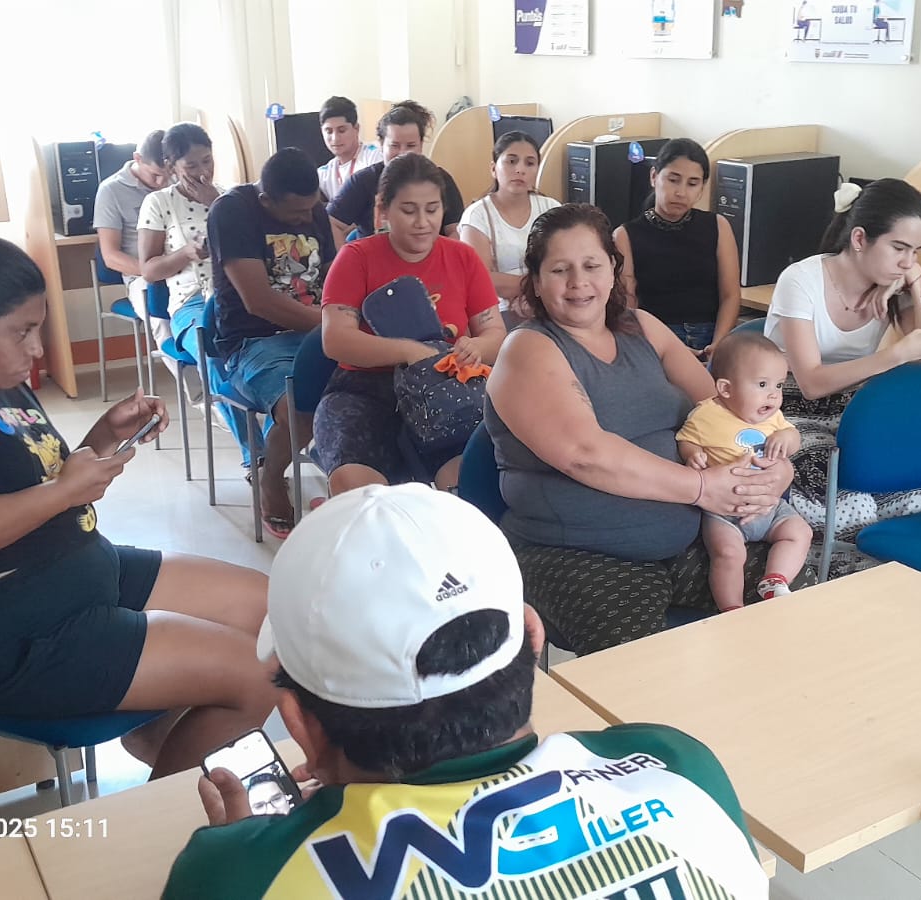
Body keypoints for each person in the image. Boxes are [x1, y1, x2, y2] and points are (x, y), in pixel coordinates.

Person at [163, 484, 769, 900]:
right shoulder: (673, 765)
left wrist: (250, 851)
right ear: (532, 636)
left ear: (298, 723)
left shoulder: (240, 875)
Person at [0, 236, 275, 777]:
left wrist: (103, 436)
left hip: (83, 574)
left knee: (267, 610)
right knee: (256, 678)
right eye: (22, 331)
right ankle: (170, 810)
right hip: (18, 629)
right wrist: (65, 491)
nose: (36, 349)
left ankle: (160, 739)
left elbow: (37, 479)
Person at [485, 204, 810, 655]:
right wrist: (702, 488)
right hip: (580, 553)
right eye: (560, 270)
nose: (579, 282)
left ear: (613, 270)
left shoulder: (644, 328)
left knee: (795, 597)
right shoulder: (528, 348)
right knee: (644, 665)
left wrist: (775, 474)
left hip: (697, 537)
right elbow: (585, 455)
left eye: (592, 265)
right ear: (537, 282)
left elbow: (726, 412)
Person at [763, 178, 921, 565]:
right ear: (859, 238)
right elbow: (811, 383)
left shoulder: (892, 284)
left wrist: (915, 279)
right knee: (853, 506)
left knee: (919, 498)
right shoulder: (801, 280)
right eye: (899, 248)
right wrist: (897, 354)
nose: (907, 261)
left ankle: (900, 588)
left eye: (916, 252)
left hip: (852, 408)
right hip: (784, 410)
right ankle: (846, 586)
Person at [314, 154, 504, 495]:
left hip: (447, 389)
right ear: (384, 209)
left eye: (432, 209)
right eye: (408, 210)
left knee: (467, 484)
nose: (422, 222)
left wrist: (476, 346)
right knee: (360, 491)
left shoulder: (463, 257)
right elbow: (336, 339)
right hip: (365, 391)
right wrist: (409, 351)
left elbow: (495, 334)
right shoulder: (356, 258)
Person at [205, 148, 337, 539]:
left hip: (317, 332)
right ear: (267, 201)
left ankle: (347, 485)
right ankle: (272, 476)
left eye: (311, 209)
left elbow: (333, 276)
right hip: (253, 341)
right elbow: (259, 301)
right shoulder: (233, 211)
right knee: (301, 405)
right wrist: (335, 325)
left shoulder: (313, 209)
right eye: (297, 213)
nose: (307, 219)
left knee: (367, 394)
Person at [676, 331, 813, 610]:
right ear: (726, 389)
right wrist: (693, 455)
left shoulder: (773, 417)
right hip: (724, 511)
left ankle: (775, 580)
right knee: (727, 554)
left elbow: (793, 436)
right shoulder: (706, 415)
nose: (773, 394)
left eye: (779, 385)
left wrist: (786, 438)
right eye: (762, 384)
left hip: (770, 506)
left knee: (800, 532)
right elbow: (686, 439)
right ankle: (731, 608)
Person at [613, 138, 740, 358]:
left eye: (692, 183)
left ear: (701, 188)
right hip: (657, 338)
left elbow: (730, 295)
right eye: (673, 180)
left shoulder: (718, 226)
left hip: (713, 336)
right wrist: (671, 349)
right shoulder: (625, 235)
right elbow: (629, 307)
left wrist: (718, 345)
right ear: (654, 177)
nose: (681, 192)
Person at [138, 122, 221, 387]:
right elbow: (149, 270)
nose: (203, 172)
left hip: (234, 296)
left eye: (207, 161)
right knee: (214, 354)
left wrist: (215, 204)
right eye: (192, 166)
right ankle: (232, 413)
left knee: (257, 350)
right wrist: (186, 253)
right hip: (191, 301)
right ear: (171, 167)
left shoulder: (227, 197)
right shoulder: (159, 202)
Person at [325, 100, 465, 249]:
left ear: (421, 145)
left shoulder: (441, 179)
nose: (402, 153)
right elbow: (331, 222)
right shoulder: (363, 181)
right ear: (381, 145)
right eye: (395, 146)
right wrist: (345, 258)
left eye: (411, 145)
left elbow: (456, 231)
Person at [458, 130, 561, 326]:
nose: (520, 169)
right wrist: (532, 289)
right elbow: (479, 278)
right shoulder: (477, 215)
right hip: (497, 310)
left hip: (549, 302)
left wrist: (535, 297)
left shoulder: (551, 208)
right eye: (511, 161)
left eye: (529, 163)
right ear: (493, 169)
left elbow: (565, 264)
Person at [93, 129, 170, 339]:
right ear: (137, 159)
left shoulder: (177, 181)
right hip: (143, 276)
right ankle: (180, 360)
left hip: (184, 268)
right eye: (155, 175)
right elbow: (111, 257)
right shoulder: (111, 190)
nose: (162, 183)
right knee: (161, 317)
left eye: (168, 175)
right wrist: (158, 271)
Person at [316, 96, 382, 202]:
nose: (335, 138)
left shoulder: (375, 155)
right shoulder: (323, 174)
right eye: (329, 131)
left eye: (341, 130)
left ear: (356, 128)